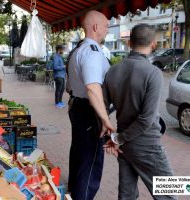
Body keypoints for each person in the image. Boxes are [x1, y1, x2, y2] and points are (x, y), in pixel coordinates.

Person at [103, 24, 177, 200]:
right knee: (170, 195)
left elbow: (103, 109)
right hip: (147, 145)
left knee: (127, 195)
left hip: (125, 146)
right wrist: (118, 139)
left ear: (129, 43)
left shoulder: (112, 71)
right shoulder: (153, 73)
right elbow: (146, 119)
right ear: (153, 44)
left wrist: (114, 138)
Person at [67, 10, 115, 200]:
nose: (107, 28)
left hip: (77, 106)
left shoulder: (77, 51)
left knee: (79, 154)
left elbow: (70, 86)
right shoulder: (93, 53)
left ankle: (74, 192)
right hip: (90, 110)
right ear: (95, 27)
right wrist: (104, 119)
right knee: (91, 161)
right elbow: (93, 89)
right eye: (105, 25)